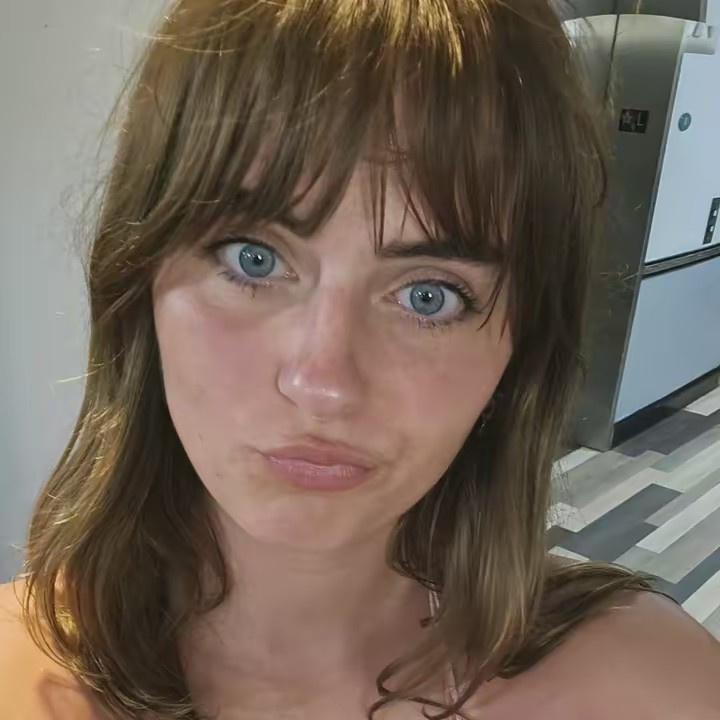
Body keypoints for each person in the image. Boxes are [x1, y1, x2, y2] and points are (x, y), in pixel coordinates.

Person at [1, 0, 719, 718]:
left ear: (520, 350)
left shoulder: (657, 690)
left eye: (429, 296)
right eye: (253, 259)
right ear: (139, 284)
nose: (322, 384)